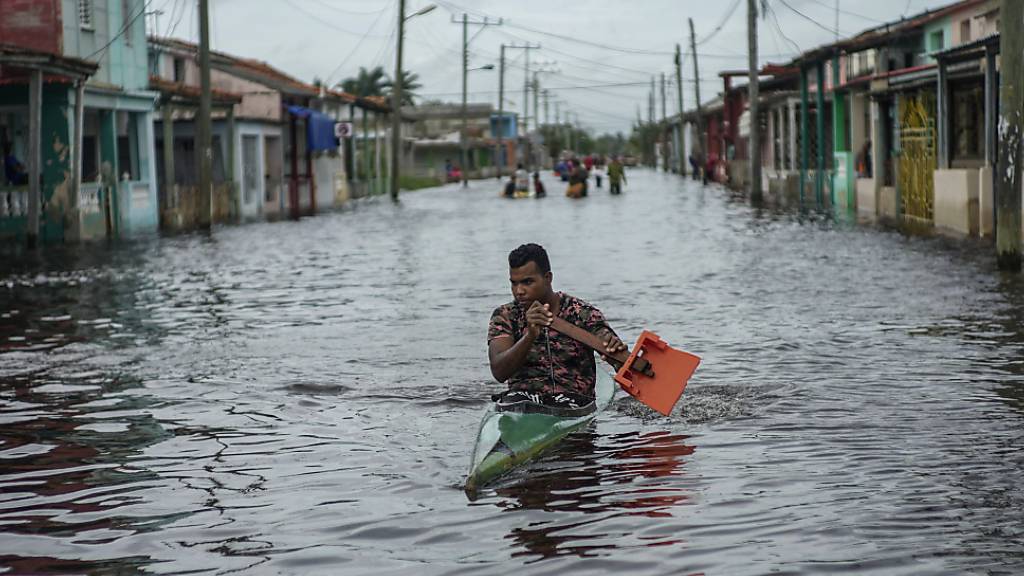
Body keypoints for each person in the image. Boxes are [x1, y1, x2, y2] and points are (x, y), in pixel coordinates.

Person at [488, 243, 627, 410]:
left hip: (574, 402)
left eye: (527, 282)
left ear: (548, 278)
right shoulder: (505, 316)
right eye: (514, 283)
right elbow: (499, 372)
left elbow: (611, 347)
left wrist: (613, 348)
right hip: (522, 403)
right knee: (513, 401)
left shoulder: (581, 313)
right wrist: (530, 336)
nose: (519, 291)